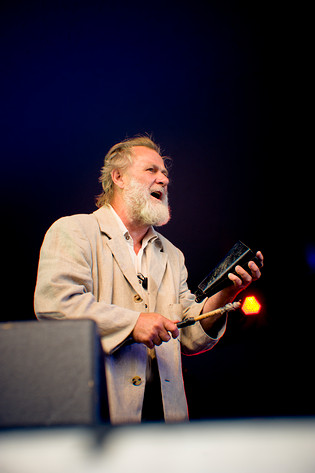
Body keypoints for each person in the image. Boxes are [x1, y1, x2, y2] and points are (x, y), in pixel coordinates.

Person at [34, 135, 263, 424]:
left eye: (165, 173)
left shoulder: (172, 254)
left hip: (165, 416)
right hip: (99, 412)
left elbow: (189, 337)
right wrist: (133, 324)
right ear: (118, 177)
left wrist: (228, 291)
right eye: (151, 170)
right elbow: (55, 305)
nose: (164, 180)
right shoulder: (74, 230)